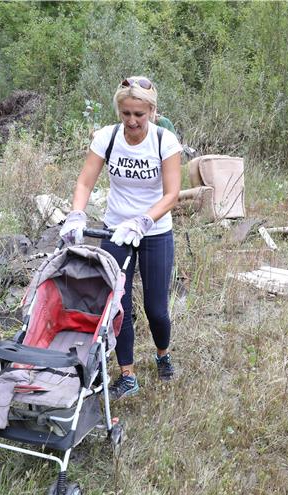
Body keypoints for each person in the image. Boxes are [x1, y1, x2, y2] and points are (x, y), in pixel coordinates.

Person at [59, 76, 182, 400]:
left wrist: (143, 220)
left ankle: (162, 354)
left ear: (152, 111)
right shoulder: (107, 137)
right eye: (126, 113)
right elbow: (85, 182)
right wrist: (76, 213)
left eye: (139, 114)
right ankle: (127, 374)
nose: (132, 121)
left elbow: (172, 194)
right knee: (118, 304)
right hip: (116, 230)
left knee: (156, 308)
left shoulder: (164, 141)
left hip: (154, 231)